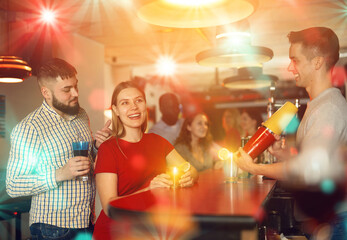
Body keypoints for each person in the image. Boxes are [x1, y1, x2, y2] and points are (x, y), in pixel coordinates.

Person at [235, 27, 347, 238]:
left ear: (317, 62)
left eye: (295, 60)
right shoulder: (318, 105)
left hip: (333, 223)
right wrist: (283, 155)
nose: (289, 67)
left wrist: (254, 167)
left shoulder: (328, 108)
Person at [6, 58, 112, 239]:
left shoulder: (80, 114)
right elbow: (13, 185)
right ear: (45, 92)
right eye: (66, 89)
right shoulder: (30, 128)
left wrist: (96, 147)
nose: (75, 93)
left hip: (86, 221)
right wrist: (60, 173)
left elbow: (86, 160)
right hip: (52, 229)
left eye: (75, 86)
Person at [92, 81, 198, 239]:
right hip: (117, 232)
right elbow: (109, 207)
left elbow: (190, 169)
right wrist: (148, 190)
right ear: (116, 110)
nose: (134, 107)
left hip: (150, 230)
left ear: (145, 105)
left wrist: (190, 176)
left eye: (138, 100)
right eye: (125, 103)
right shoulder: (108, 149)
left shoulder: (157, 141)